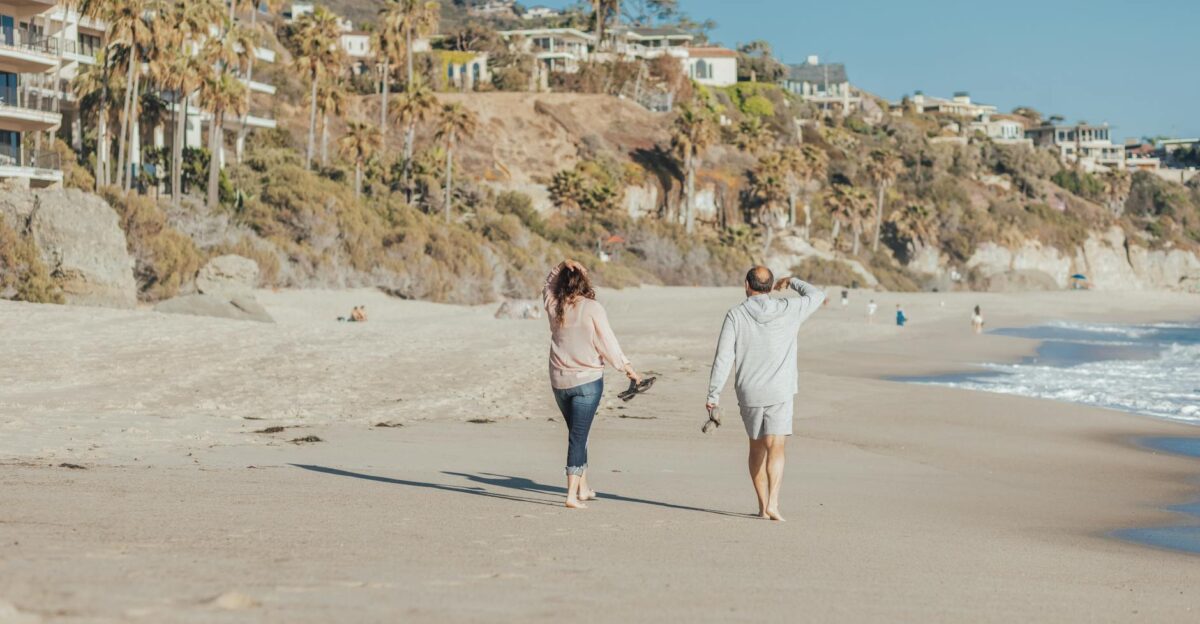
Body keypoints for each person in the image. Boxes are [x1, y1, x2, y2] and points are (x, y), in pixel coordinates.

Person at [706, 266, 825, 521]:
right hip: (780, 390)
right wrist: (792, 282)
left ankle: (762, 506)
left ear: (746, 285)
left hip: (749, 391)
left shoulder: (736, 315)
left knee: (757, 447)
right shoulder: (789, 310)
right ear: (771, 287)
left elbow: (723, 357)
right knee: (777, 446)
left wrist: (713, 395)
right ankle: (773, 503)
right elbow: (817, 295)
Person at [544, 260, 641, 510]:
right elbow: (607, 342)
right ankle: (571, 495)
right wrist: (626, 367)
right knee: (578, 437)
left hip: (560, 382)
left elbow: (548, 283)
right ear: (585, 282)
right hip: (587, 381)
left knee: (579, 433)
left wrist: (562, 265)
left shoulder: (554, 305)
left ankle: (583, 488)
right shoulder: (592, 308)